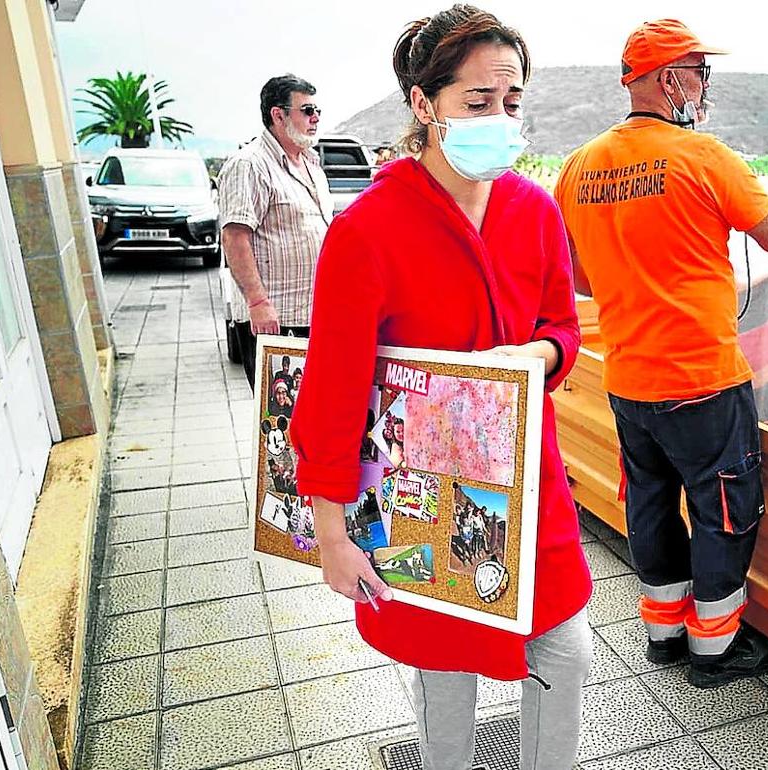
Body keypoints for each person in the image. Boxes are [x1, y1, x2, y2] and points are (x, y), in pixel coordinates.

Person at [288, 6, 592, 769]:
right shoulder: (367, 230)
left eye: (512, 102)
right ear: (424, 105)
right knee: (443, 675)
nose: (500, 117)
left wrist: (542, 358)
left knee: (565, 653)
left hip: (528, 479)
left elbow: (564, 326)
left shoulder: (535, 210)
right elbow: (331, 390)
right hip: (420, 489)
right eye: (478, 102)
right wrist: (330, 533)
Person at [554, 18, 768, 690]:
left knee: (652, 505)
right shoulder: (705, 156)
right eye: (700, 72)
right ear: (670, 79)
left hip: (630, 381)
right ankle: (715, 649)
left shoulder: (578, 168)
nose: (703, 86)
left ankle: (664, 634)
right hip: (701, 380)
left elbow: (576, 278)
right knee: (726, 508)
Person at [218, 74, 332, 389]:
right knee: (279, 424)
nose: (316, 117)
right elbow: (234, 236)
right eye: (307, 110)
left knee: (312, 417)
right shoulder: (250, 164)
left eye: (317, 110)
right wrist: (257, 302)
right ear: (278, 115)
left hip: (313, 315)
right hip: (276, 320)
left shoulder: (310, 163)